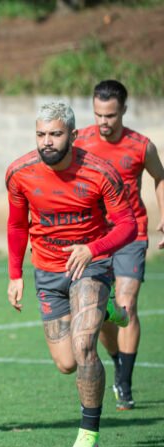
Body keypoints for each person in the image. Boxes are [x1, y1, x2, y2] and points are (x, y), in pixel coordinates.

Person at [6, 101, 136, 447]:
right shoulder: (20, 173)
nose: (47, 141)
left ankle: (88, 433)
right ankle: (107, 310)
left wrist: (93, 250)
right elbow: (17, 225)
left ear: (73, 136)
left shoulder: (100, 172)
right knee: (66, 363)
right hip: (47, 273)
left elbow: (128, 225)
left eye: (55, 134)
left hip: (89, 267)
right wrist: (15, 274)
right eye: (41, 134)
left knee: (84, 347)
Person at [74, 80, 164, 411]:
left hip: (131, 233)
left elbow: (161, 177)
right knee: (100, 315)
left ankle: (124, 383)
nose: (104, 122)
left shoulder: (141, 146)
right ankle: (117, 362)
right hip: (93, 237)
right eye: (98, 114)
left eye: (110, 115)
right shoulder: (79, 140)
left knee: (126, 302)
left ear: (123, 110)